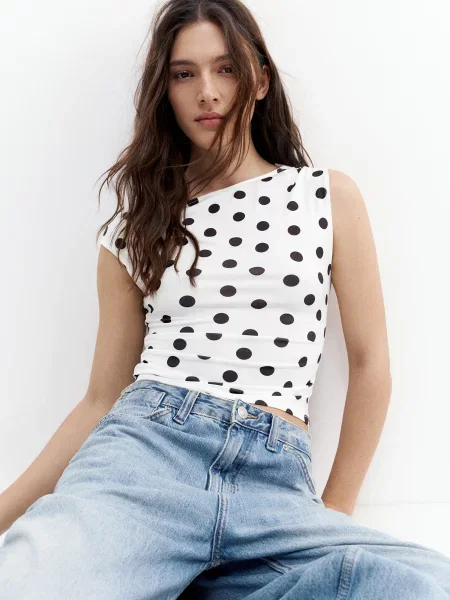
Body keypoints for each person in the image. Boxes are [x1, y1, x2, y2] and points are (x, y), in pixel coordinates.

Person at [1, 1, 450, 598]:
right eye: (184, 74)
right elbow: (100, 399)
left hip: (276, 486)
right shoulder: (135, 227)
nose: (207, 92)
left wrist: (334, 516)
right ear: (165, 90)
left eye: (226, 69)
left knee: (419, 586)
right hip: (148, 456)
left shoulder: (327, 196)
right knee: (31, 585)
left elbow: (371, 365)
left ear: (260, 79)